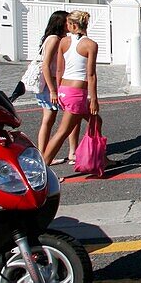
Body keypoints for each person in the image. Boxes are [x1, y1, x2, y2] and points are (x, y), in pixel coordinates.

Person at [43, 11, 100, 166]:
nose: (66, 27)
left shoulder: (64, 42)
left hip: (64, 90)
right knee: (62, 132)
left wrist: (58, 90)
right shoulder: (90, 45)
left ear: (74, 25)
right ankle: (43, 167)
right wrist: (93, 99)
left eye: (68, 24)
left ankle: (97, 157)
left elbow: (59, 70)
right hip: (77, 92)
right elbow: (91, 75)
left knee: (96, 121)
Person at [35, 10, 73, 162]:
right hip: (49, 85)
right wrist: (52, 90)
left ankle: (44, 154)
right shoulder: (54, 39)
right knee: (50, 119)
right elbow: (45, 65)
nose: (69, 25)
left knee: (50, 119)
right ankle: (43, 154)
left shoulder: (57, 38)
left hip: (51, 84)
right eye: (67, 22)